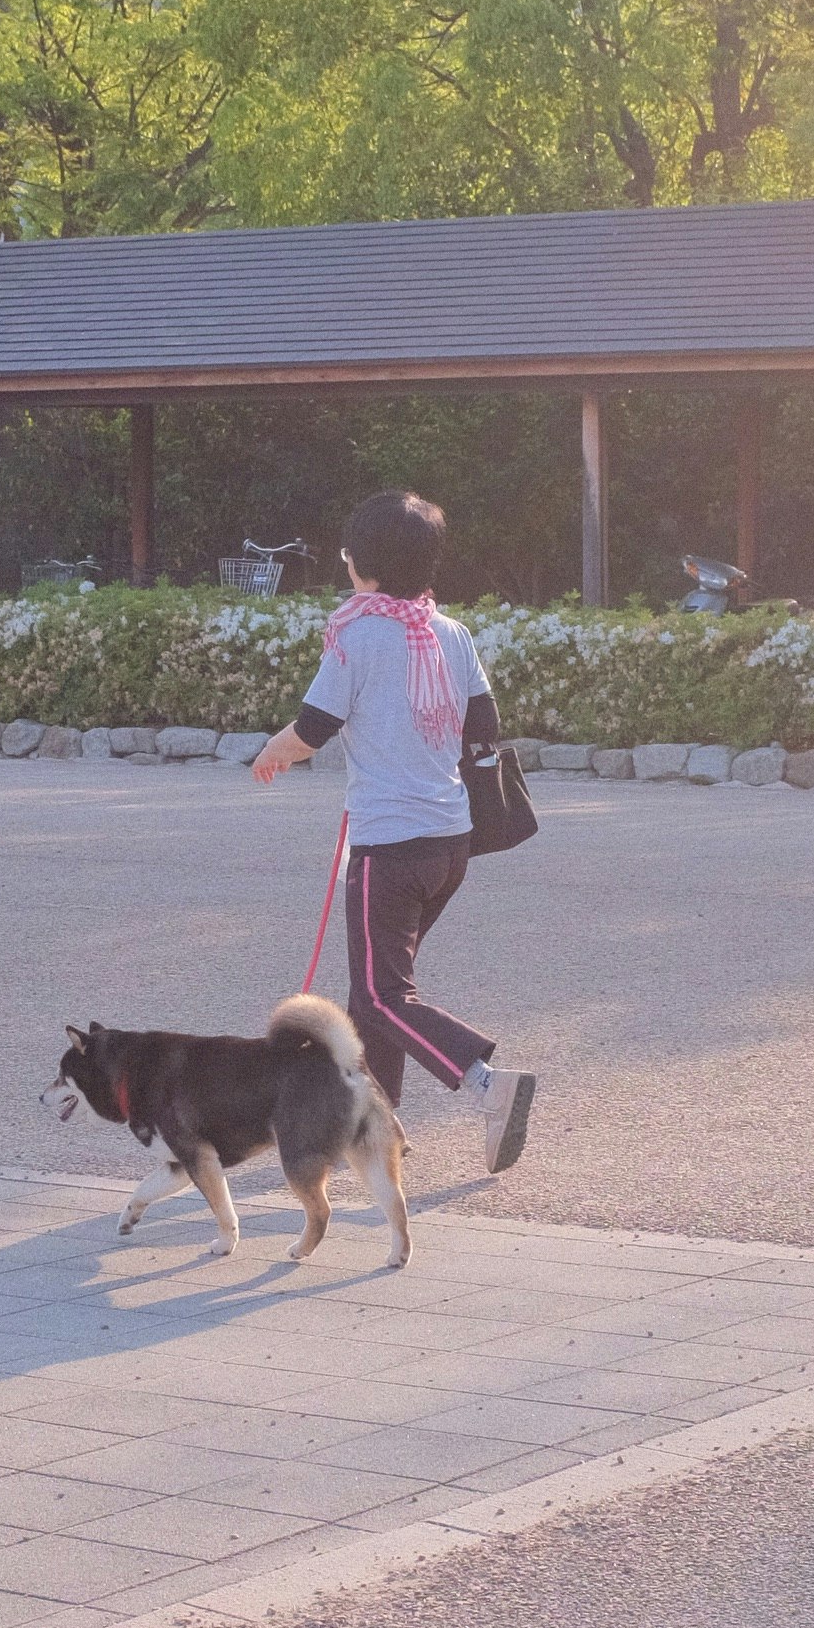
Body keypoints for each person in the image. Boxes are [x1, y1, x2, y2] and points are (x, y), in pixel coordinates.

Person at [251, 487, 537, 1172]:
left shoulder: (356, 636)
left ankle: (487, 1084)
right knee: (369, 993)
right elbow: (483, 729)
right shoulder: (451, 633)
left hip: (389, 848)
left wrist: (270, 752)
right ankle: (373, 1130)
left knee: (382, 994)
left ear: (363, 565)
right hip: (451, 846)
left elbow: (313, 731)